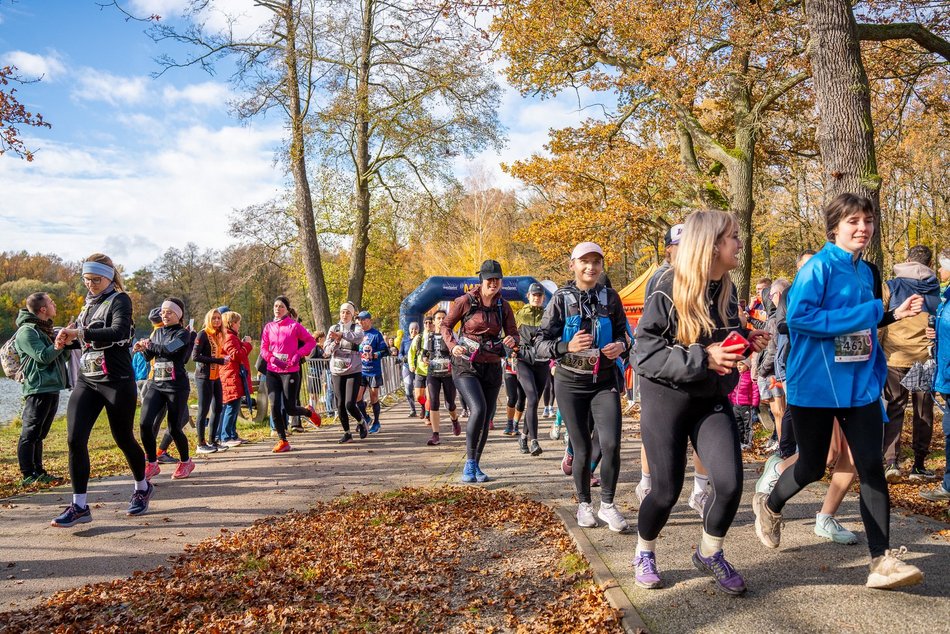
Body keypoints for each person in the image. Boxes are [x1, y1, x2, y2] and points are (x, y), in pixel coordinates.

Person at [751, 193, 924, 590]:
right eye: (853, 222)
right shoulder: (817, 268)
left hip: (859, 386)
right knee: (812, 466)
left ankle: (881, 561)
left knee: (871, 467)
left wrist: (895, 314)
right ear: (834, 228)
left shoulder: (868, 271)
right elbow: (800, 319)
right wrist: (872, 312)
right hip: (815, 384)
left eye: (867, 221)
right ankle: (771, 503)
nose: (862, 228)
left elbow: (867, 325)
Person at [634, 212, 767, 594]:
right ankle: (644, 551)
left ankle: (709, 552)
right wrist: (702, 358)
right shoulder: (665, 285)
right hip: (666, 402)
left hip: (710, 399)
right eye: (734, 238)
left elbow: (720, 335)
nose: (739, 244)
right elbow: (644, 354)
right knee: (665, 491)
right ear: (711, 245)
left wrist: (744, 337)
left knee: (728, 484)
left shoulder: (724, 286)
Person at [51, 254, 150, 527]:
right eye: (87, 279)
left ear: (109, 277)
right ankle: (79, 506)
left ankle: (142, 487)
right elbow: (87, 343)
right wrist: (65, 338)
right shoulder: (87, 306)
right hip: (88, 380)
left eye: (97, 279)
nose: (91, 284)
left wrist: (78, 334)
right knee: (74, 439)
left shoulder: (120, 299)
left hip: (117, 380)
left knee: (123, 438)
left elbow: (118, 333)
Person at [536, 243, 629, 532]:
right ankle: (584, 504)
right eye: (585, 262)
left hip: (604, 381)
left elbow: (627, 335)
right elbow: (539, 344)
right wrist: (567, 346)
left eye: (596, 262)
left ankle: (609, 505)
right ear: (572, 265)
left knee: (611, 444)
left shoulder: (611, 297)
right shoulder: (560, 299)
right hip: (570, 383)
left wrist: (620, 346)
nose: (591, 267)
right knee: (581, 448)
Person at [635, 222, 713, 519]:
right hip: (664, 366)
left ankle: (700, 490)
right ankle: (646, 483)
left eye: (689, 245)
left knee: (699, 431)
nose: (685, 251)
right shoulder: (661, 279)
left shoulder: (703, 278)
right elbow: (652, 334)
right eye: (679, 246)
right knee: (656, 432)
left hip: (694, 364)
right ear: (669, 250)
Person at [443, 259, 519, 483]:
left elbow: (514, 334)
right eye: (490, 279)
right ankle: (468, 463)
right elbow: (446, 325)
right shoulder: (464, 302)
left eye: (497, 279)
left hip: (492, 365)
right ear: (482, 280)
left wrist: (511, 340)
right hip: (466, 364)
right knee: (478, 408)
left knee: (486, 416)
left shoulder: (503, 306)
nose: (493, 283)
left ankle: (476, 463)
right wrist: (452, 345)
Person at [881, 245, 942, 482]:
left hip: (894, 356)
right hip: (924, 359)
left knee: (894, 408)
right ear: (927, 263)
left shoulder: (891, 285)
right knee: (923, 412)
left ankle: (891, 463)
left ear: (907, 260)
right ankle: (919, 465)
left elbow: (880, 319)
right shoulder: (935, 288)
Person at [134, 297, 195, 480]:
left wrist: (149, 344)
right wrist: (141, 348)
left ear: (178, 314)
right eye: (162, 312)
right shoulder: (158, 332)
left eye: (169, 312)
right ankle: (152, 463)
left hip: (176, 386)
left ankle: (186, 462)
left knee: (174, 428)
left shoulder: (183, 334)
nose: (165, 315)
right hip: (157, 384)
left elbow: (169, 350)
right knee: (145, 424)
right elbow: (149, 356)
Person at [14, 292, 69, 486]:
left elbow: (59, 358)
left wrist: (65, 344)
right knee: (30, 432)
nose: (55, 305)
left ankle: (39, 471)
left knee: (39, 433)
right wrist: (58, 344)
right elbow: (43, 357)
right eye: (51, 302)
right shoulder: (27, 332)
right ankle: (27, 474)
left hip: (51, 387)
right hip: (37, 387)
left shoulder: (44, 329)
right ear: (43, 309)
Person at [921, 251, 950, 501]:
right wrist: (935, 337)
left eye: (942, 267)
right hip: (945, 373)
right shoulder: (946, 297)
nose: (939, 272)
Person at [515, 282, 550, 456]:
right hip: (524, 362)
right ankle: (534, 441)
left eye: (539, 295)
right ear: (528, 296)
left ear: (543, 298)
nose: (537, 298)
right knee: (533, 398)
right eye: (534, 295)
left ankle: (523, 436)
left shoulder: (548, 315)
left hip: (542, 363)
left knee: (533, 403)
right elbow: (510, 335)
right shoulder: (520, 314)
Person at [325, 301, 365, 443]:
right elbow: (326, 351)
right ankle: (347, 433)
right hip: (336, 370)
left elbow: (359, 339)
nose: (344, 315)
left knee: (349, 403)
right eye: (342, 312)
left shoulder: (357, 328)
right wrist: (335, 342)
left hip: (353, 369)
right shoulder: (333, 328)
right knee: (340, 404)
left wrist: (341, 335)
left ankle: (361, 421)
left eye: (348, 312)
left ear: (352, 314)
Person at [424, 308, 461, 446]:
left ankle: (454, 420)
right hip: (433, 373)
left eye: (443, 318)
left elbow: (458, 351)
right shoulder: (429, 336)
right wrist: (424, 359)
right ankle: (435, 435)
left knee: (450, 403)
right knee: (433, 402)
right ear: (433, 321)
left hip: (448, 374)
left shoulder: (452, 334)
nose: (440, 320)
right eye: (438, 318)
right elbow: (425, 353)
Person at [193, 308, 227, 454]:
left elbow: (218, 353)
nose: (217, 321)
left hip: (216, 376)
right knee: (203, 410)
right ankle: (201, 443)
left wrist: (224, 358)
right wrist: (218, 360)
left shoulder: (219, 335)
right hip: (203, 376)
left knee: (218, 408)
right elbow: (195, 356)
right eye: (214, 318)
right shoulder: (203, 334)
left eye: (219, 318)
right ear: (208, 319)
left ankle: (213, 440)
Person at [219, 311, 254, 447]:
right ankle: (226, 436)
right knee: (232, 406)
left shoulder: (230, 336)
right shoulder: (229, 337)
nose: (239, 325)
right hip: (231, 376)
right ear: (232, 323)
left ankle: (232, 434)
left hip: (233, 375)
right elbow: (236, 355)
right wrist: (247, 344)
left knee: (234, 406)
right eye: (238, 323)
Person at [356, 310, 389, 434]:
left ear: (369, 320)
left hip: (373, 371)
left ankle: (376, 422)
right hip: (360, 370)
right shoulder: (358, 334)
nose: (361, 322)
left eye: (363, 320)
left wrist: (375, 355)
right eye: (359, 320)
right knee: (357, 397)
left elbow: (385, 351)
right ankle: (366, 417)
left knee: (373, 396)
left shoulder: (376, 334)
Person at [729, 359, 758, 450]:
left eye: (741, 364)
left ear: (747, 366)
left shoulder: (750, 376)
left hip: (746, 405)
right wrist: (729, 400)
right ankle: (740, 442)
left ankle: (748, 443)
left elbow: (755, 390)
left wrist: (754, 403)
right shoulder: (735, 376)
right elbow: (730, 389)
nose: (739, 366)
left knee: (747, 425)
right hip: (735, 405)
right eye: (737, 365)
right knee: (738, 424)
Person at [409, 316, 434, 422]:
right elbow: (411, 352)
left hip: (432, 370)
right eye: (426, 323)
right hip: (420, 370)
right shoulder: (418, 337)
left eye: (430, 322)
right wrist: (411, 364)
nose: (428, 324)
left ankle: (428, 415)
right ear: (423, 324)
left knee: (429, 395)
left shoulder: (435, 336)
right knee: (418, 396)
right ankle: (424, 406)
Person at [399, 322, 420, 417]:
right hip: (407, 367)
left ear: (418, 330)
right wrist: (402, 358)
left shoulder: (421, 339)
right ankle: (412, 409)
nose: (413, 331)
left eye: (416, 329)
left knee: (420, 391)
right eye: (412, 329)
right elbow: (400, 354)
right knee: (408, 389)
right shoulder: (405, 341)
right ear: (409, 330)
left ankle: (424, 408)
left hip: (419, 368)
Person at [502, 356, 525, 435]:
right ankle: (509, 425)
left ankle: (515, 425)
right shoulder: (507, 342)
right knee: (512, 398)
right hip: (509, 370)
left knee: (521, 400)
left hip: (524, 371)